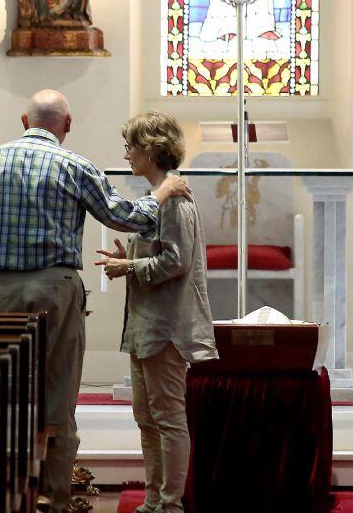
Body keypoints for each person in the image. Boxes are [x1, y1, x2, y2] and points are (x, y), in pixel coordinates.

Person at [0, 90, 190, 513]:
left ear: (25, 119)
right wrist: (163, 192)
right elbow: (124, 217)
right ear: (68, 124)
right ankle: (54, 500)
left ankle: (1, 497)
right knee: (57, 396)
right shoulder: (74, 165)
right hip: (54, 290)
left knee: (2, 398)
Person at [95, 111, 218, 513]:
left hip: (167, 325)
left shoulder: (175, 199)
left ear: (150, 149)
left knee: (168, 418)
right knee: (146, 418)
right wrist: (127, 255)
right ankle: (152, 500)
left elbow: (177, 261)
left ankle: (171, 504)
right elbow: (156, 250)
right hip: (145, 322)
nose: (127, 153)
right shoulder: (158, 196)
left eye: (131, 146)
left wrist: (128, 266)